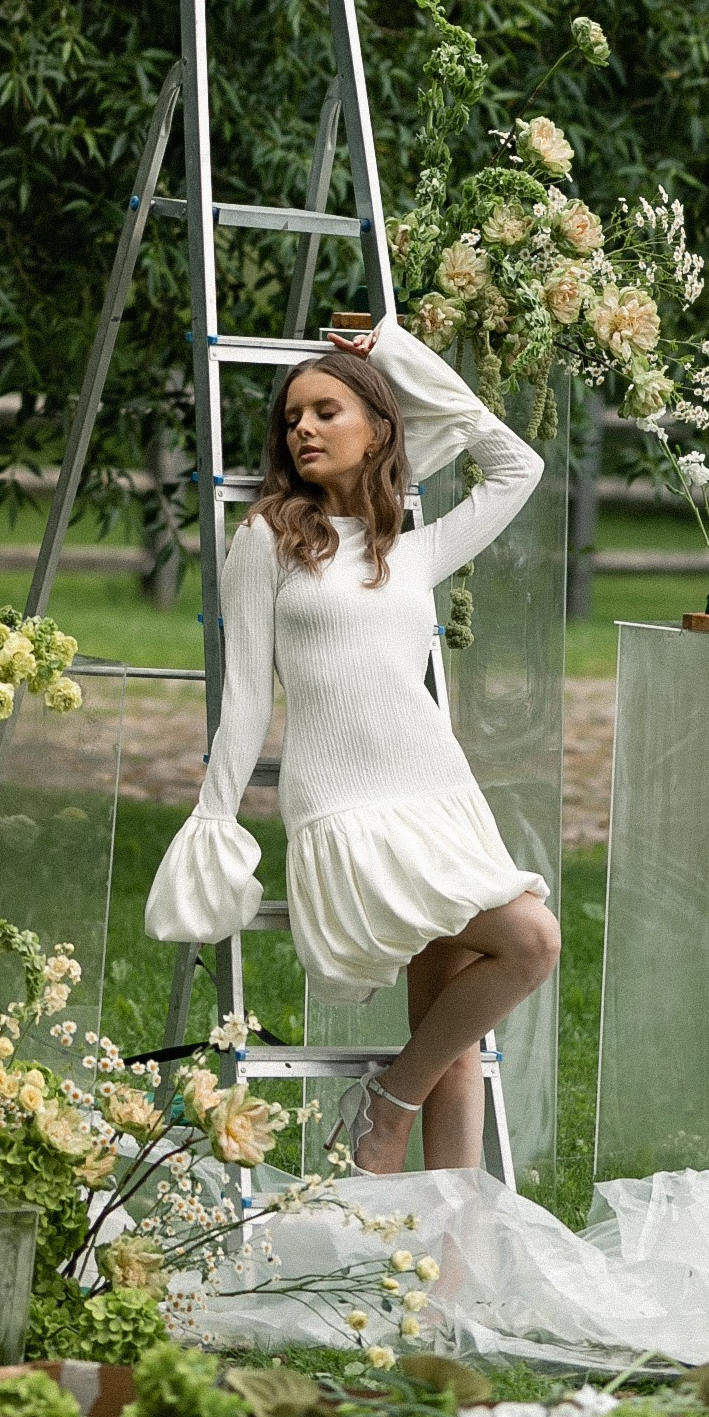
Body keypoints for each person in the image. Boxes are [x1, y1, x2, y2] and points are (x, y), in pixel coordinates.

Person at [145, 318, 560, 1173]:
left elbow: (520, 463)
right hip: (346, 814)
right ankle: (388, 1103)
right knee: (533, 941)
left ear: (378, 427)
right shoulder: (266, 540)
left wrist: (397, 355)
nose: (302, 429)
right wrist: (214, 819)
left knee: (450, 1029)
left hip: (439, 800)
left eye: (327, 410)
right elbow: (249, 692)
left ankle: (455, 1265)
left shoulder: (412, 550)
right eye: (293, 416)